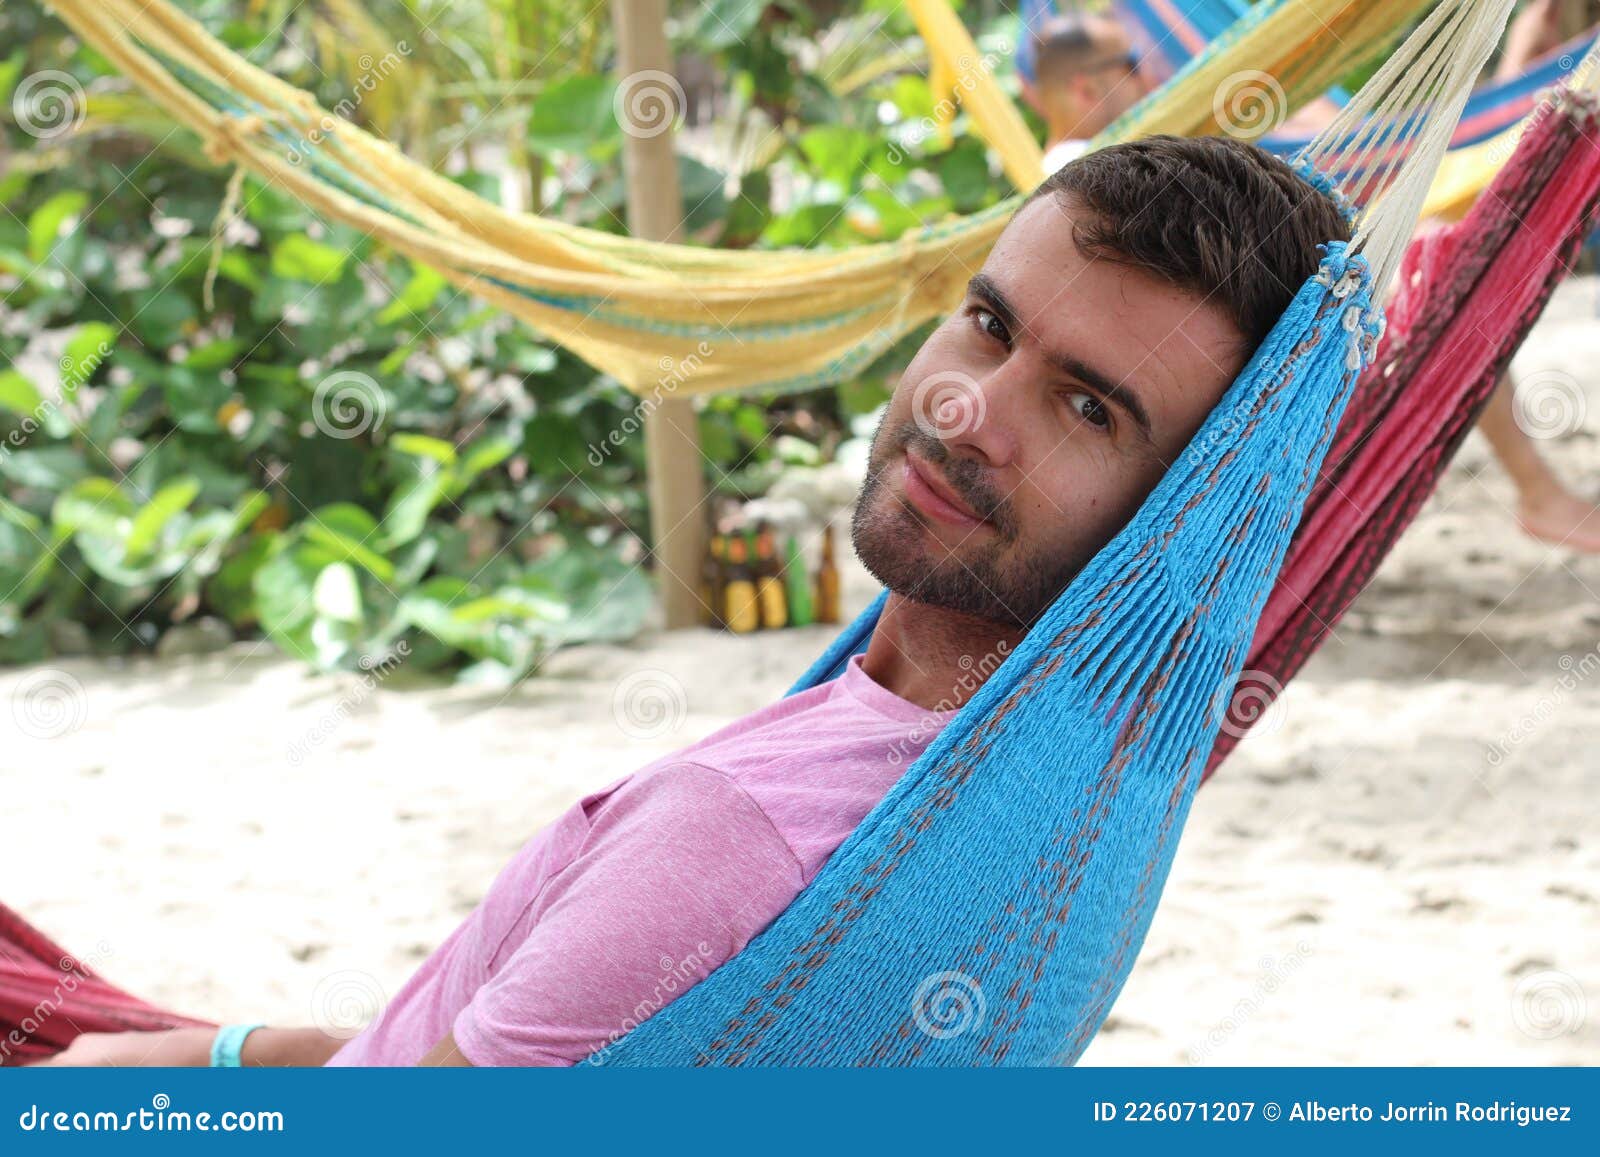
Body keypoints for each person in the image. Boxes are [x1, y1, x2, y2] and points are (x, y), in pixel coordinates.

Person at [32, 135, 1351, 1067]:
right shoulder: (1074, 794)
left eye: (1087, 408)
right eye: (990, 326)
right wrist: (210, 1053)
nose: (965, 411)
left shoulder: (740, 838)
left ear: (1190, 515)